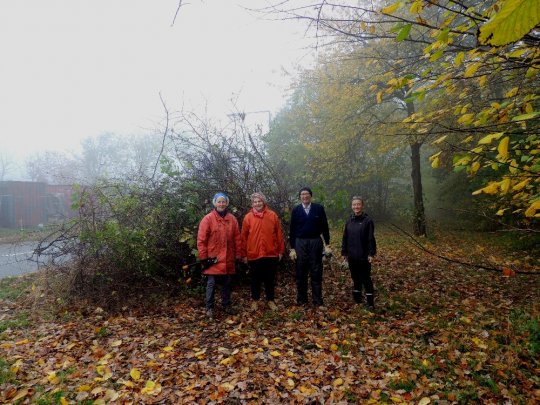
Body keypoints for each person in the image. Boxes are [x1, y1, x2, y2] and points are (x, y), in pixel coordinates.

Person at [197, 192, 241, 319]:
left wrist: (238, 254)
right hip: (213, 259)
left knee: (226, 283)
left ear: (227, 203)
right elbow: (201, 240)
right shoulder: (208, 219)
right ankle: (209, 307)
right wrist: (204, 257)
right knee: (211, 283)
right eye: (219, 201)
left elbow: (237, 238)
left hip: (228, 258)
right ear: (215, 203)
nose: (221, 204)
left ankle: (226, 305)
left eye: (223, 202)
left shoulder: (232, 219)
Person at [240, 192, 285, 311]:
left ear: (263, 202)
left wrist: (280, 250)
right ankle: (255, 300)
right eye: (255, 202)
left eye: (259, 201)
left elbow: (279, 234)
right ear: (252, 204)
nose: (257, 203)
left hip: (271, 253)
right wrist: (243, 254)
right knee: (255, 279)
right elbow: (243, 237)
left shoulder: (272, 215)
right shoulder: (248, 217)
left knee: (270, 279)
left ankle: (270, 300)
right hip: (254, 254)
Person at [289, 187, 331, 308]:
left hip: (315, 242)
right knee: (301, 271)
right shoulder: (296, 210)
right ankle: (302, 299)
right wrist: (292, 248)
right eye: (302, 194)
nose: (305, 196)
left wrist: (327, 244)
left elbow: (325, 227)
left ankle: (317, 300)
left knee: (316, 270)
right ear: (300, 197)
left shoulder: (318, 208)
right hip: (300, 243)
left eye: (307, 194)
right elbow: (292, 230)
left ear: (310, 196)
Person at [341, 196, 377, 310]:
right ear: (352, 206)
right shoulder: (349, 221)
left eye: (358, 204)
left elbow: (371, 238)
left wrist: (371, 254)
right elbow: (345, 238)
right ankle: (357, 300)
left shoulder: (367, 221)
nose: (356, 206)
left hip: (363, 256)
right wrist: (345, 253)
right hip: (352, 256)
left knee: (366, 278)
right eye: (354, 204)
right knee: (355, 277)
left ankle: (370, 303)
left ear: (362, 206)